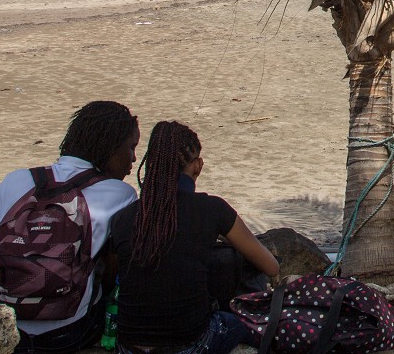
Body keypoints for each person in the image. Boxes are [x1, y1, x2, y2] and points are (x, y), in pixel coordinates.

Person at [110, 120, 280, 354]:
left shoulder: (122, 218)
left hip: (128, 346)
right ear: (197, 166)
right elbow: (271, 267)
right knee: (241, 323)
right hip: (192, 344)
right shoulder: (212, 209)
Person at [0, 101, 141, 354]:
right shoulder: (121, 194)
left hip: (6, 324)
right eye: (130, 148)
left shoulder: (15, 180)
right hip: (69, 332)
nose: (134, 159)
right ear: (111, 147)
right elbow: (115, 268)